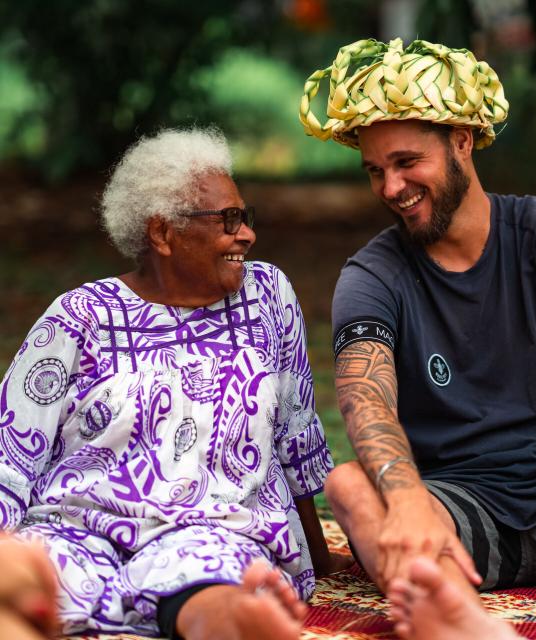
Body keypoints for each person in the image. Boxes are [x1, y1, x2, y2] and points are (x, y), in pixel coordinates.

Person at [299, 37, 536, 639]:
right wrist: (405, 498)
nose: (391, 187)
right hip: (455, 515)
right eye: (375, 171)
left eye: (407, 162)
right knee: (350, 485)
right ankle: (447, 616)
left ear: (461, 141)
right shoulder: (371, 274)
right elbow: (364, 399)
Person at [0, 127, 351, 640]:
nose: (247, 235)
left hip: (215, 527)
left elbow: (297, 436)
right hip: (79, 525)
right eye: (228, 220)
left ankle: (231, 626)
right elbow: (11, 454)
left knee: (211, 583)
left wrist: (318, 560)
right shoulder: (80, 318)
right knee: (40, 579)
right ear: (162, 233)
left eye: (244, 217)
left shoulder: (267, 296)